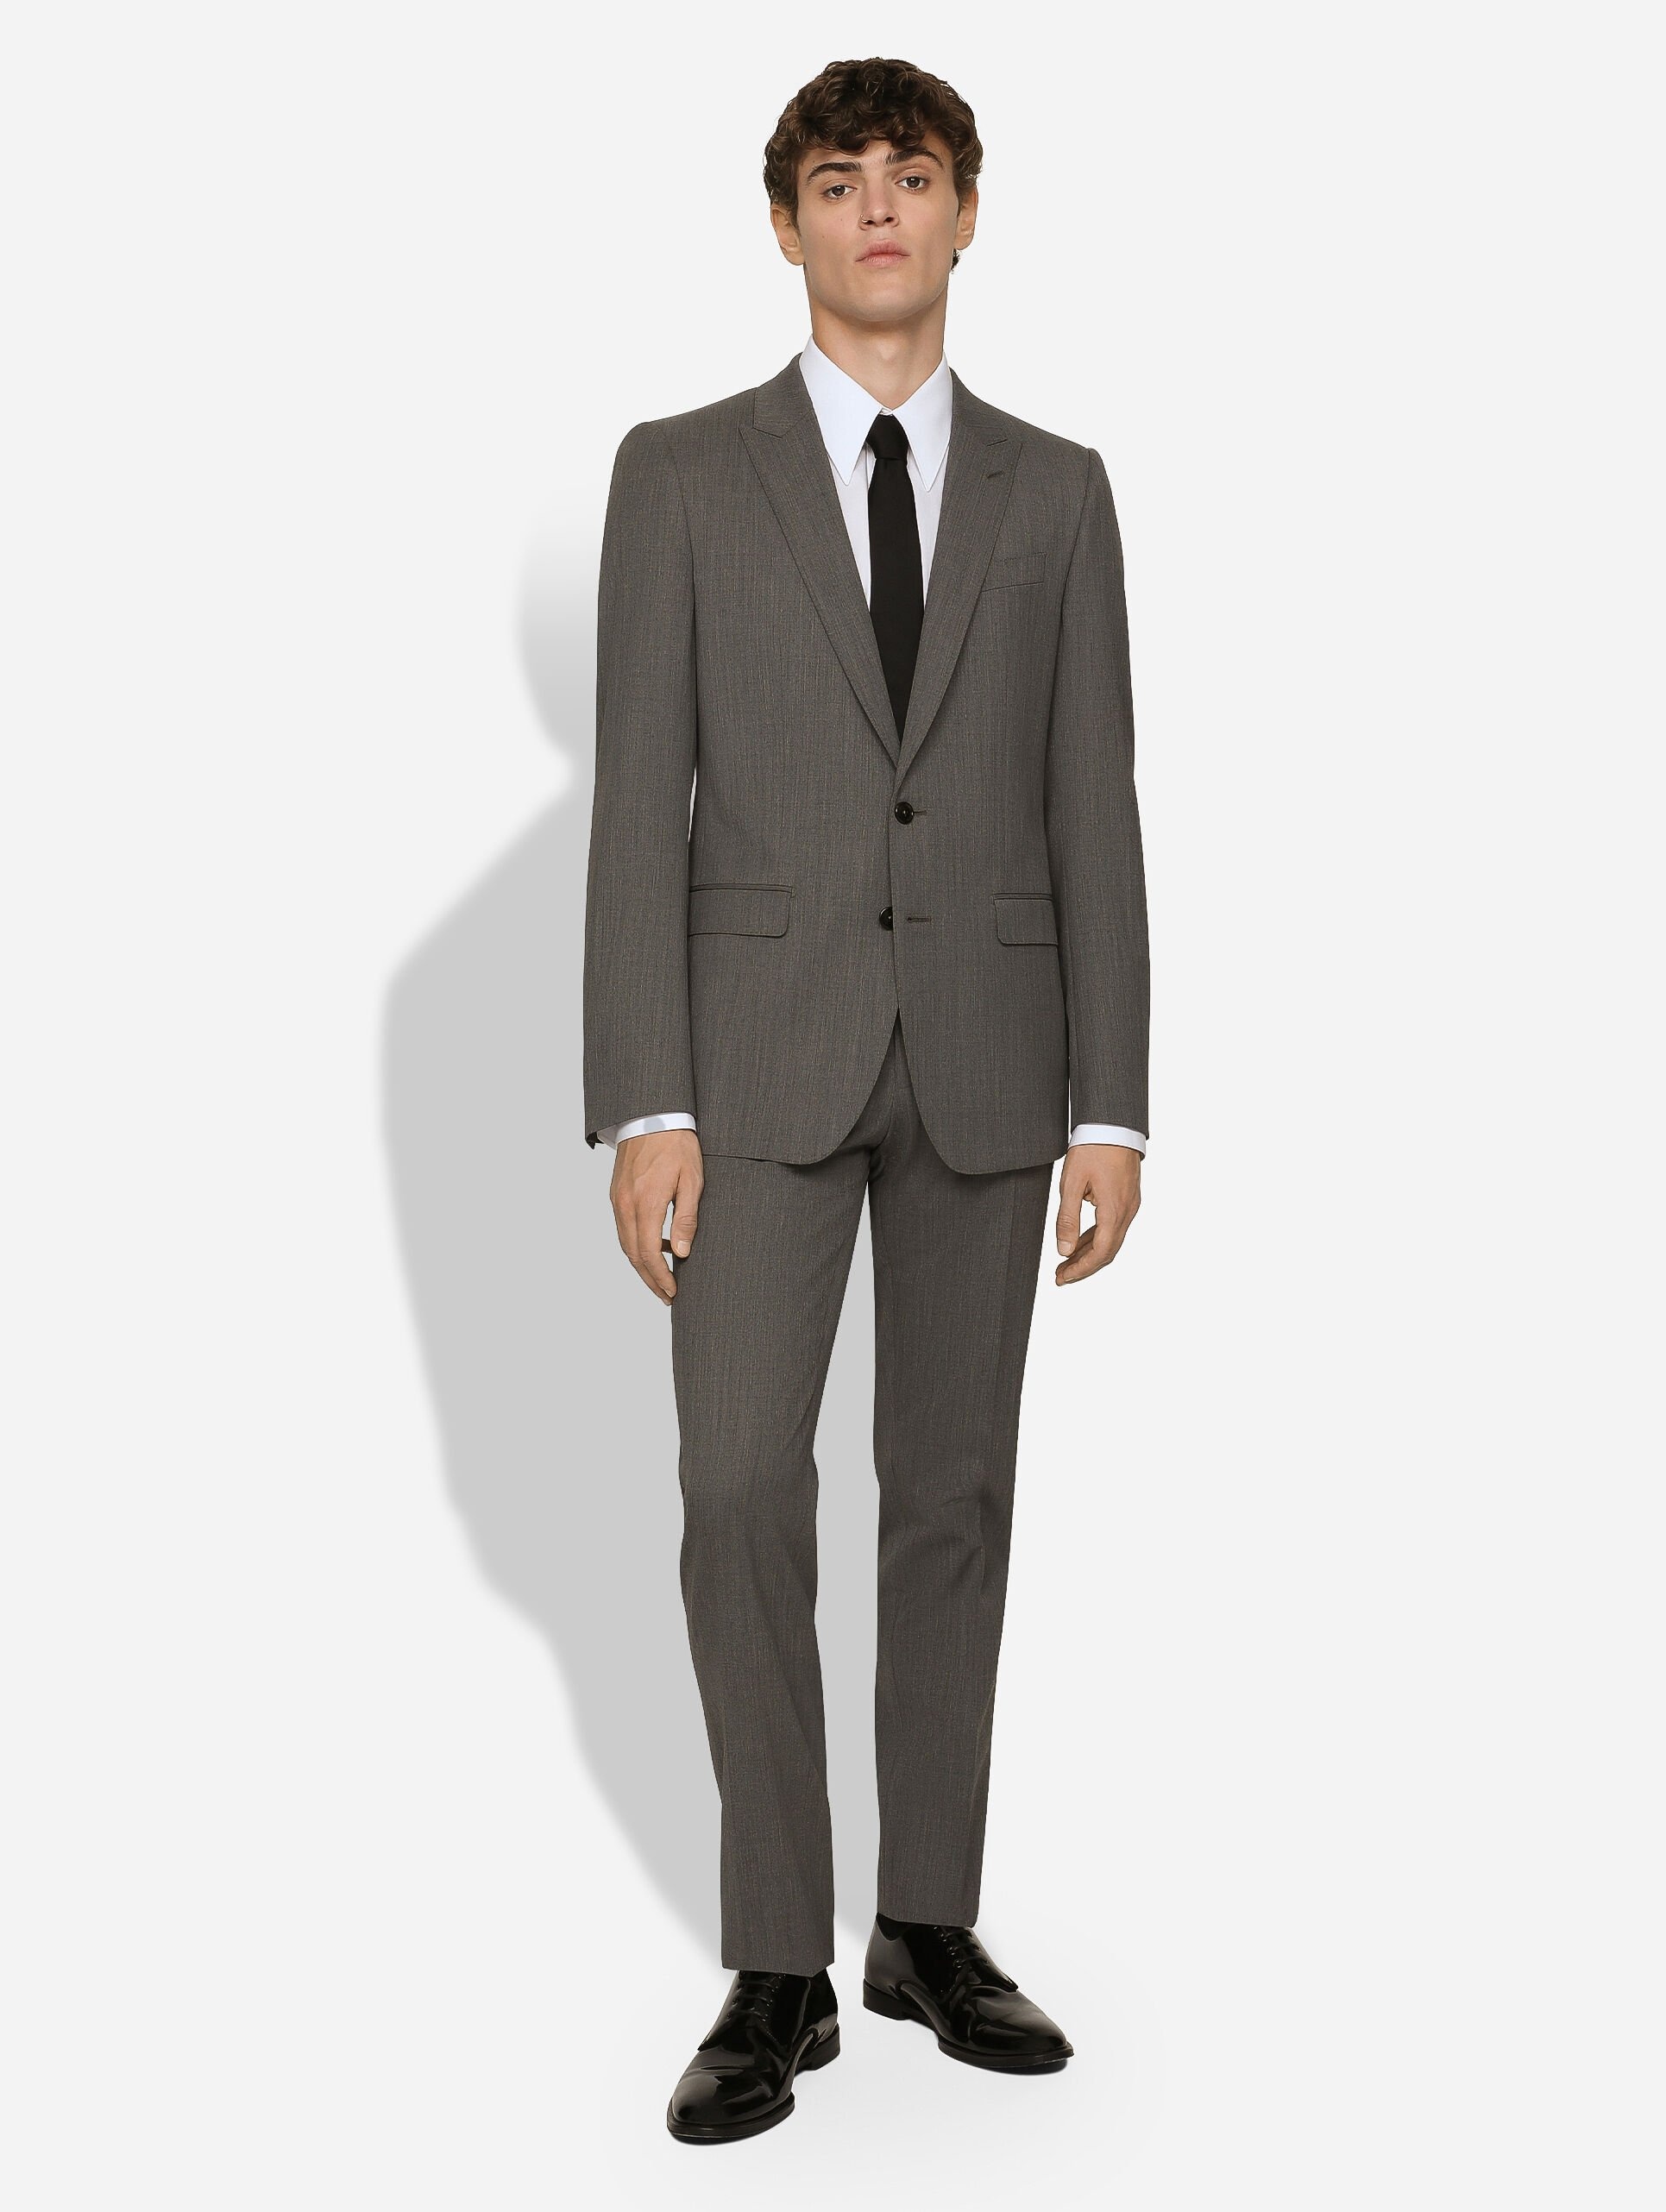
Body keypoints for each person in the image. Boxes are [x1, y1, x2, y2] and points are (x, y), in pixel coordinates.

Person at [582, 54, 1149, 2144]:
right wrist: (643, 1096)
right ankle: (775, 1960)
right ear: (786, 225)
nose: (878, 209)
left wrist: (1117, 1106)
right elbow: (638, 798)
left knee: (952, 1499)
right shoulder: (680, 474)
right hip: (749, 1064)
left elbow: (1092, 800)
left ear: (967, 211)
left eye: (912, 175)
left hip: (994, 1063)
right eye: (837, 181)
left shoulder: (1059, 492)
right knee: (739, 1487)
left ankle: (926, 1924)